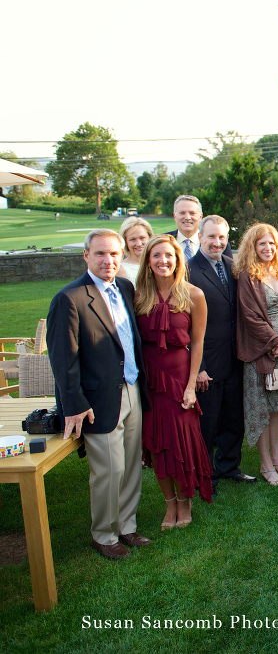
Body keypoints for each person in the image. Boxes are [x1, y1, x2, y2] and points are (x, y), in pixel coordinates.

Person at [47, 229, 151, 560]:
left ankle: (127, 525)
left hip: (132, 388)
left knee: (132, 462)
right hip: (99, 399)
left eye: (114, 254)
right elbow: (64, 359)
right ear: (86, 256)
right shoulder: (70, 298)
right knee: (110, 468)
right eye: (101, 254)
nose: (108, 260)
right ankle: (104, 533)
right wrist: (73, 405)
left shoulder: (124, 287)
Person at [133, 234, 213, 529]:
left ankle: (185, 500)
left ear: (178, 259)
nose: (163, 261)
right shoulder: (137, 295)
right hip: (150, 380)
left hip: (180, 378)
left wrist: (192, 385)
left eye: (169, 255)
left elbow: (199, 342)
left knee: (182, 442)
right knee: (158, 444)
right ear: (148, 261)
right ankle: (169, 506)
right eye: (156, 256)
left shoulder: (193, 294)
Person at [234, 223, 278, 487]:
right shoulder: (246, 277)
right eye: (262, 243)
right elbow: (250, 317)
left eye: (272, 243)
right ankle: (265, 465)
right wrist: (276, 342)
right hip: (260, 353)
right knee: (262, 409)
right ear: (252, 247)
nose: (268, 248)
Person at [187, 215, 254, 491]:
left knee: (233, 417)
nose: (217, 242)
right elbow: (186, 324)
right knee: (208, 423)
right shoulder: (189, 271)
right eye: (211, 237)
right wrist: (198, 366)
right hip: (207, 362)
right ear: (200, 237)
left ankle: (229, 466)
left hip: (234, 358)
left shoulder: (233, 266)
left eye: (222, 237)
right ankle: (206, 475)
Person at [167, 195, 231, 260]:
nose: (187, 218)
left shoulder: (219, 244)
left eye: (192, 213)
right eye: (182, 213)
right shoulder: (163, 241)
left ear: (200, 216)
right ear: (175, 216)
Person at [117, 217, 153, 283]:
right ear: (125, 242)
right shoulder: (121, 270)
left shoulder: (158, 264)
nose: (139, 244)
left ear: (150, 238)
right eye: (132, 239)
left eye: (142, 238)